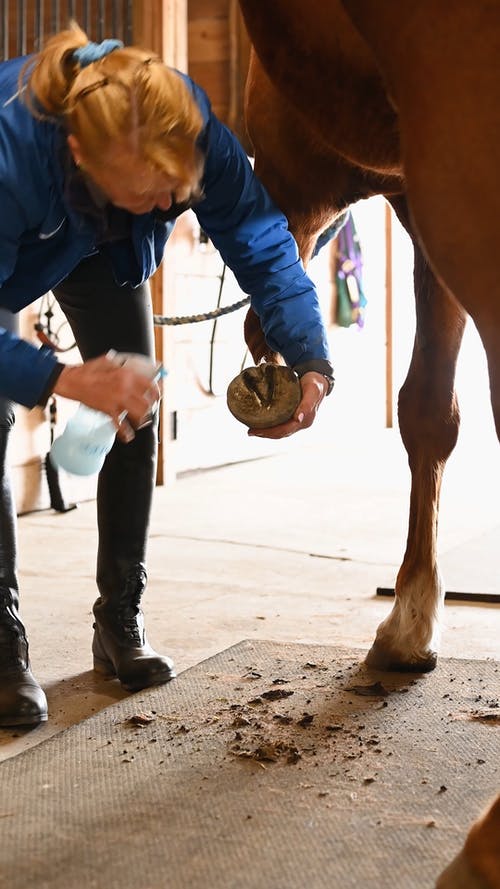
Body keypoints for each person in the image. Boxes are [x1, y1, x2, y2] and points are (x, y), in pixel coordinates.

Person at [0, 24, 335, 728]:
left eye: (175, 191)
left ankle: (118, 617)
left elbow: (264, 242)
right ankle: (1, 643)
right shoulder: (11, 147)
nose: (169, 205)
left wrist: (310, 358)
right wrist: (59, 377)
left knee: (134, 402)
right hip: (22, 229)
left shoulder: (183, 127)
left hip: (97, 237)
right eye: (154, 192)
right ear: (81, 152)